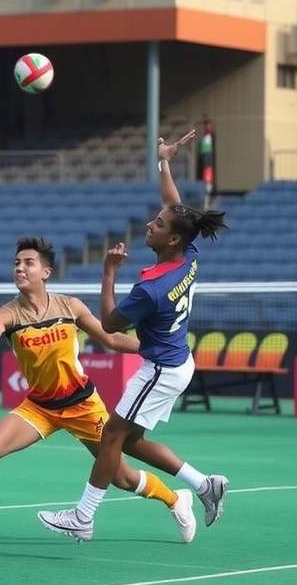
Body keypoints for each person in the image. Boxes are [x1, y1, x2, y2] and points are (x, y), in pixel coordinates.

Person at [0, 237, 196, 552]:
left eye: (28, 263)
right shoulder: (6, 315)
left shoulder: (70, 306)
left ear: (46, 272)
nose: (20, 268)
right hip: (39, 407)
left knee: (121, 477)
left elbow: (113, 339)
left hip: (83, 406)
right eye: (16, 264)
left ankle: (175, 499)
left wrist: (159, 350)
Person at [38, 131, 229, 542]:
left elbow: (107, 324)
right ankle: (202, 485)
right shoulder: (189, 255)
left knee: (111, 435)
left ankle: (83, 517)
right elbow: (174, 204)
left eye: (158, 225)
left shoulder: (152, 289)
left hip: (161, 368)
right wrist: (164, 161)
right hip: (176, 360)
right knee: (129, 441)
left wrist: (108, 271)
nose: (150, 224)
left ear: (172, 239)